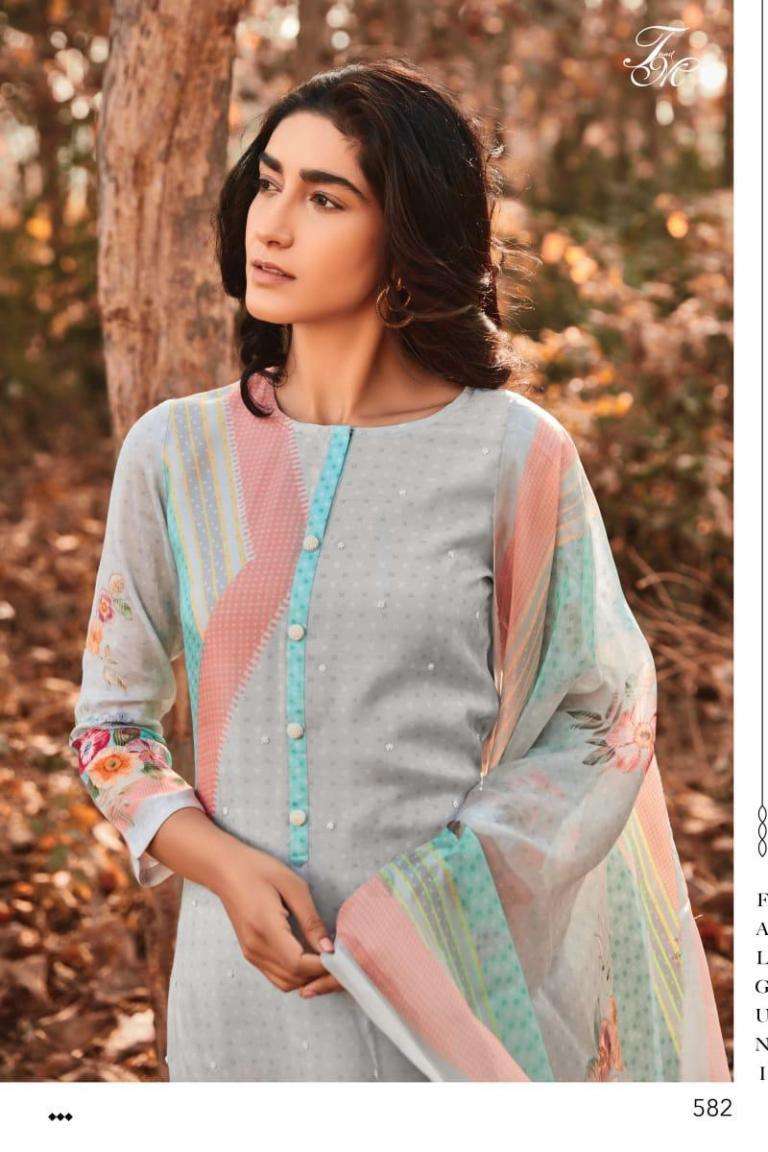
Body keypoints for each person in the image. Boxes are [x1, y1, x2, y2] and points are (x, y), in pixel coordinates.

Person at [69, 58, 729, 1082]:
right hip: (236, 993)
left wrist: (425, 902)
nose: (272, 224)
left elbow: (604, 720)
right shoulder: (175, 453)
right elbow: (110, 728)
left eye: (325, 198)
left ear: (408, 238)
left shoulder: (513, 455)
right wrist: (222, 865)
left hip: (451, 992)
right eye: (269, 182)